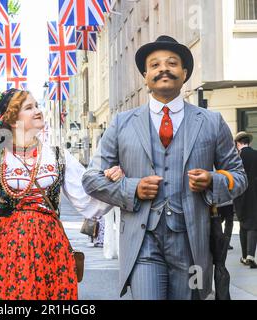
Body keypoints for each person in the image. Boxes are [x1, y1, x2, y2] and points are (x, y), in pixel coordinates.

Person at [82, 35, 247, 300]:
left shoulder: (211, 122)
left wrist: (212, 181)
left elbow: (239, 178)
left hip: (192, 244)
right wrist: (132, 188)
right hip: (142, 243)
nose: (163, 69)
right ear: (145, 75)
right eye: (155, 65)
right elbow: (91, 178)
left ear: (184, 73)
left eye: (172, 63)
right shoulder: (122, 123)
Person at [0, 88, 111, 300]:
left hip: (51, 245)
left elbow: (87, 199)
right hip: (5, 247)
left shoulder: (56, 155)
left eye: (37, 105)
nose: (38, 111)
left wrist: (111, 182)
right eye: (29, 107)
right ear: (12, 119)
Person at [233, 131, 257, 268]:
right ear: (249, 142)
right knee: (253, 223)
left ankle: (244, 256)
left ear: (238, 143)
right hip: (254, 195)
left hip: (240, 195)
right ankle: (250, 255)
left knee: (243, 224)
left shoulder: (237, 157)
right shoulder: (255, 154)